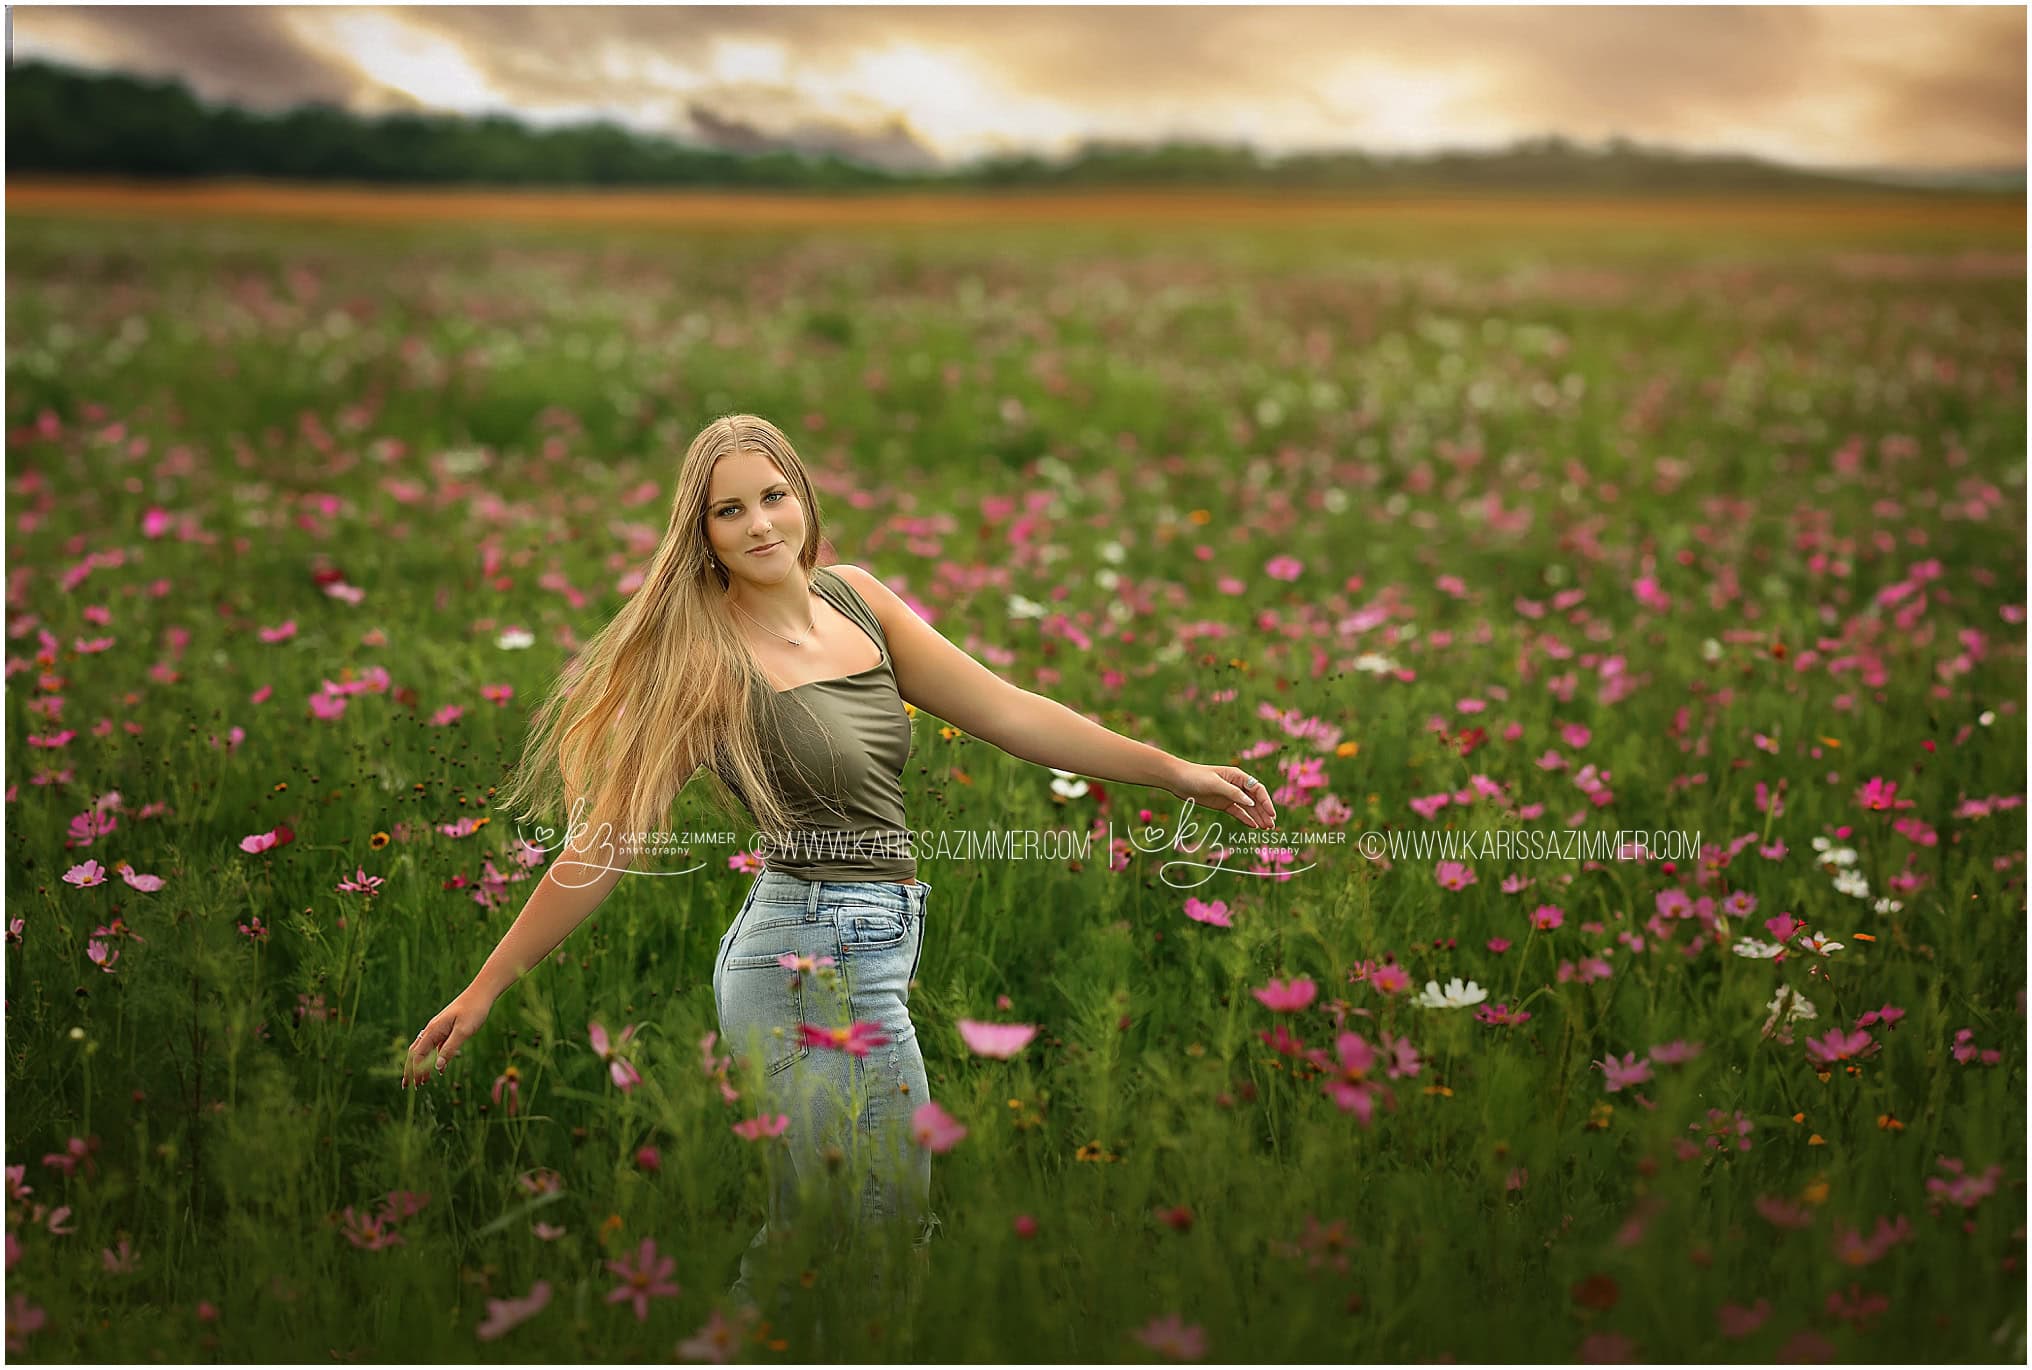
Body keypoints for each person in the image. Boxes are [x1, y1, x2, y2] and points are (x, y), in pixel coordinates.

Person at [397, 413, 1278, 1334]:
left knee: (848, 1236)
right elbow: (609, 836)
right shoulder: (704, 656)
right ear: (701, 536)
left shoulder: (856, 599)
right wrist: (489, 984)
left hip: (869, 942)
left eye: (774, 497)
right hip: (803, 957)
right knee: (856, 1233)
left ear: (804, 496)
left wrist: (1174, 771)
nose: (761, 525)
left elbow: (1011, 714)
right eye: (728, 511)